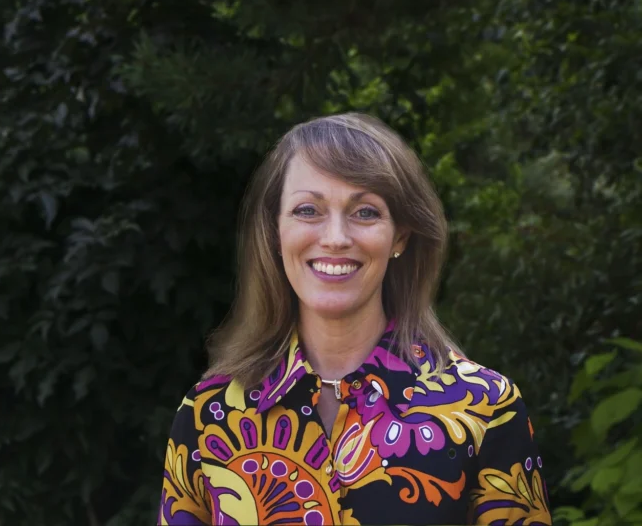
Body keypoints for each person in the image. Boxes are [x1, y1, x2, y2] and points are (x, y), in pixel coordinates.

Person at [156, 114, 551, 525]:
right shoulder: (209, 413)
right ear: (275, 232)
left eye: (364, 213)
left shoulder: (486, 408)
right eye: (308, 210)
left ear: (399, 236)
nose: (336, 238)